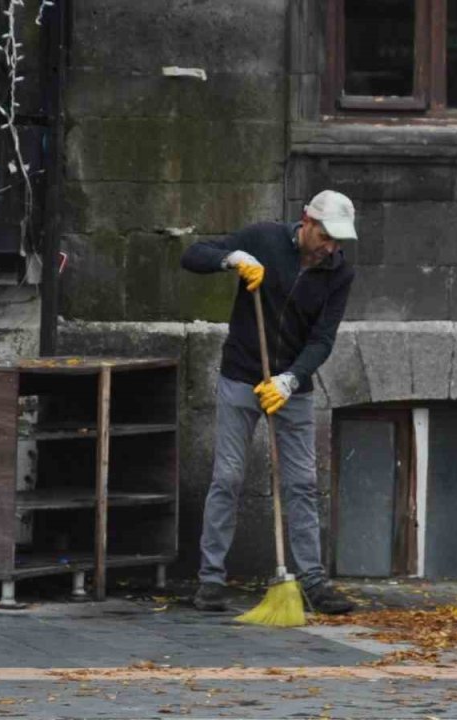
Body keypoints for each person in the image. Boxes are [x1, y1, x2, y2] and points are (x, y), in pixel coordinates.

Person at [179, 190, 358, 615]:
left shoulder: (339, 273)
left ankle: (312, 581)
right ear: (306, 222)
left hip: (291, 385)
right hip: (241, 374)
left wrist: (290, 379)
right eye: (326, 237)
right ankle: (210, 580)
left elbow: (322, 339)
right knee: (228, 478)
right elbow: (193, 254)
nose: (331, 247)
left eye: (339, 241)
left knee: (302, 485)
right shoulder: (263, 239)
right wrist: (233, 260)